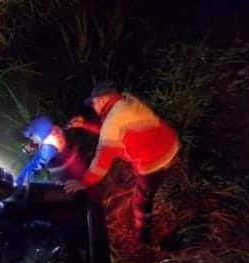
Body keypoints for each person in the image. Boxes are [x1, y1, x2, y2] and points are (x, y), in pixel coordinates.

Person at [64, 81, 180, 243]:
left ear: (104, 100)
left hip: (155, 160)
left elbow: (101, 160)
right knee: (139, 174)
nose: (93, 107)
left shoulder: (113, 121)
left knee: (141, 201)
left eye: (94, 103)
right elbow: (113, 130)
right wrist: (85, 125)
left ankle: (144, 235)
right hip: (169, 142)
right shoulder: (125, 102)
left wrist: (84, 182)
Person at [15, 116, 87, 187]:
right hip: (73, 162)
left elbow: (34, 165)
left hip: (70, 172)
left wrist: (19, 181)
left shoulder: (48, 148)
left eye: (32, 136)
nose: (32, 140)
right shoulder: (49, 130)